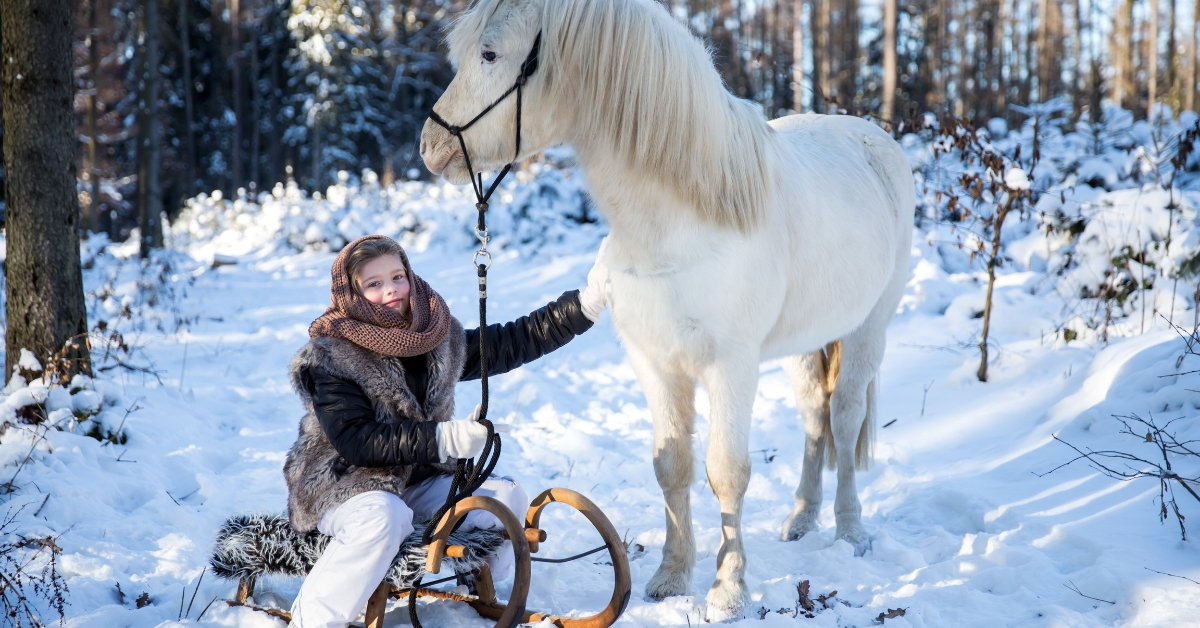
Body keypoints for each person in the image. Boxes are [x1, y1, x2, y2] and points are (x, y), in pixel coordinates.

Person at [283, 234, 608, 628]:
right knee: (386, 518)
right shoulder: (331, 354)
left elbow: (510, 342)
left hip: (416, 479)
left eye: (397, 276)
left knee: (505, 497)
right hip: (344, 484)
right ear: (351, 292)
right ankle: (314, 618)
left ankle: (477, 585)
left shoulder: (433, 336)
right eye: (373, 284)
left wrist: (585, 306)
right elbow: (356, 441)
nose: (391, 291)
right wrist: (443, 439)